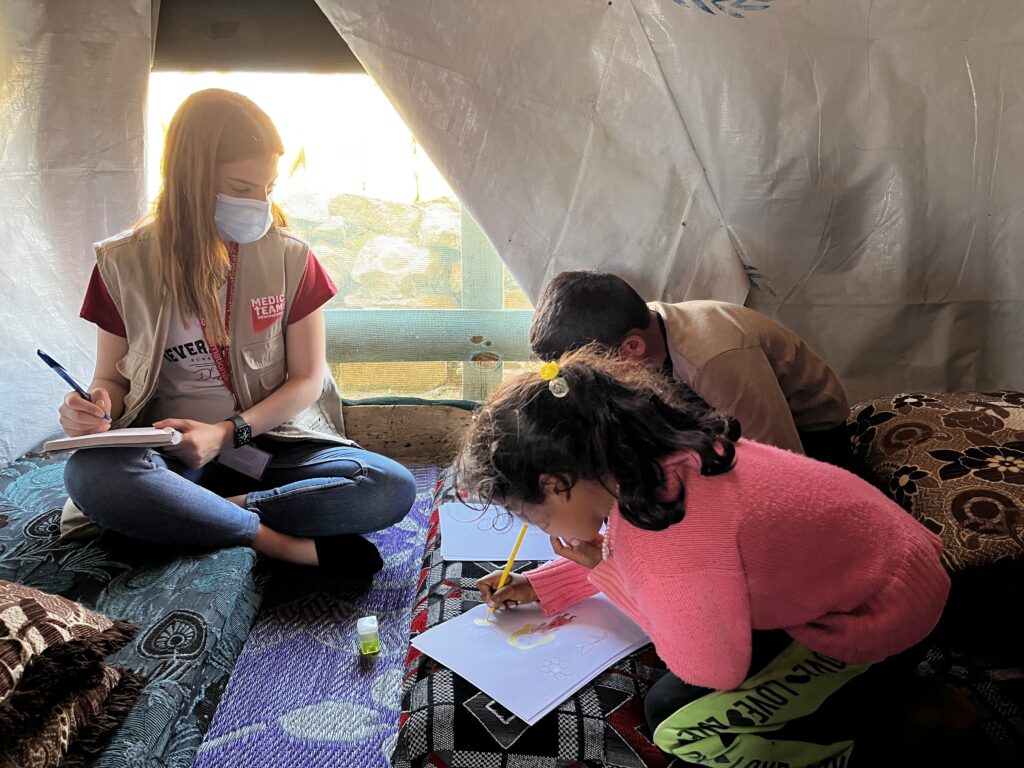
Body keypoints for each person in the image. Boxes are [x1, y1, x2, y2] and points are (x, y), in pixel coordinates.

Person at [455, 347, 967, 765]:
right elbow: (629, 556)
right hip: (894, 559)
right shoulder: (658, 457)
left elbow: (713, 670)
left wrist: (608, 575)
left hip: (882, 614)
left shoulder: (665, 534)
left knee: (675, 719)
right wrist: (549, 584)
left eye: (535, 518)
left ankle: (890, 732)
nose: (539, 529)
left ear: (557, 484)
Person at [57, 89, 416, 575]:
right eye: (242, 188)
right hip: (168, 454)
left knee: (387, 486)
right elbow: (114, 382)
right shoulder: (123, 264)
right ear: (189, 179)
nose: (259, 205)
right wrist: (95, 406)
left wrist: (228, 433)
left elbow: (308, 380)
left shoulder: (291, 258)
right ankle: (279, 542)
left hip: (273, 446)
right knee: (92, 476)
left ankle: (185, 515)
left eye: (268, 188)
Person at [529, 270, 853, 468]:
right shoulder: (639, 329)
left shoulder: (714, 359)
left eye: (594, 372)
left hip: (813, 438)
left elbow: (784, 466)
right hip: (727, 427)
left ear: (631, 348)